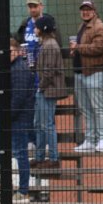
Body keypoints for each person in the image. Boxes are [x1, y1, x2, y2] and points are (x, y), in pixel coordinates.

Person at [70, 0, 103, 153]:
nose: (85, 12)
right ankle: (90, 140)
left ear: (94, 11)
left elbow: (98, 48)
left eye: (88, 9)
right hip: (81, 73)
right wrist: (75, 50)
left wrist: (78, 47)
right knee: (86, 109)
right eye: (83, 9)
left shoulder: (100, 27)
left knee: (98, 108)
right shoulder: (82, 26)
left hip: (95, 72)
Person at [34, 15, 66, 167]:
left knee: (47, 124)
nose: (35, 29)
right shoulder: (46, 44)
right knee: (39, 124)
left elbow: (49, 71)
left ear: (43, 29)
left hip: (48, 90)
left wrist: (41, 86)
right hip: (45, 89)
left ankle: (54, 158)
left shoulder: (51, 45)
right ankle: (39, 156)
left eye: (37, 27)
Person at [8, 38, 36, 201]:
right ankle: (12, 183)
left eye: (11, 51)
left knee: (20, 152)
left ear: (18, 52)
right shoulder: (12, 67)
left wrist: (7, 116)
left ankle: (23, 190)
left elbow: (18, 97)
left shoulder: (19, 69)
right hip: (12, 116)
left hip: (18, 117)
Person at [14, 0, 54, 72]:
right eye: (30, 7)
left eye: (35, 6)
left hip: (44, 67)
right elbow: (19, 42)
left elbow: (56, 44)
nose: (32, 9)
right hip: (27, 68)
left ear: (41, 6)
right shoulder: (25, 24)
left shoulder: (50, 24)